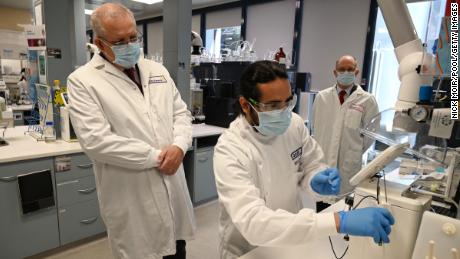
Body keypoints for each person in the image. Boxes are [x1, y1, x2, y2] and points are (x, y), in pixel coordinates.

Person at [213, 61, 394, 259]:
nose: (284, 111)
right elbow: (254, 222)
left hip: (292, 237)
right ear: (245, 105)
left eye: (288, 101)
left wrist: (315, 178)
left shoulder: (294, 125)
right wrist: (338, 222)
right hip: (247, 249)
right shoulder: (230, 148)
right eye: (273, 105)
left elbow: (310, 164)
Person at [67, 3, 195, 259]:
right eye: (120, 41)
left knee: (176, 249)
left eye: (133, 38)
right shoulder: (82, 81)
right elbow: (97, 142)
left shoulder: (156, 71)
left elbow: (181, 114)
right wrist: (157, 157)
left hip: (172, 185)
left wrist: (180, 145)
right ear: (100, 43)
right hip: (131, 198)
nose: (130, 45)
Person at [312, 55, 379, 211]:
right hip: (324, 161)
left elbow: (371, 135)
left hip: (348, 166)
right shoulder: (322, 97)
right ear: (335, 73)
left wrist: (353, 151)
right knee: (322, 210)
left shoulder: (367, 100)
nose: (346, 72)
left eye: (350, 69)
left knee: (343, 212)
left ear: (356, 72)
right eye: (342, 69)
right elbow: (315, 127)